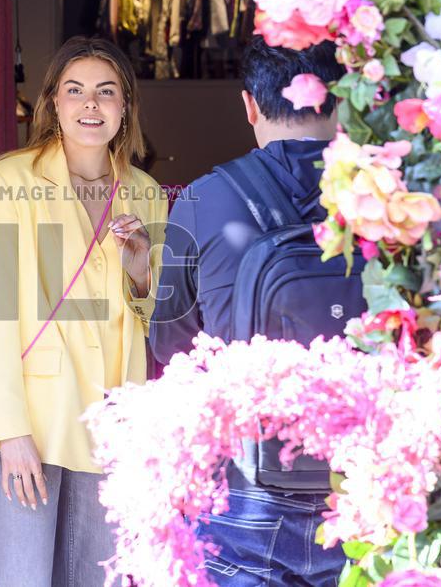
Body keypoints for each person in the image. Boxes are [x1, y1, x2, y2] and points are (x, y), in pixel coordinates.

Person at [0, 36, 168, 585]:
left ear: (124, 105)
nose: (90, 105)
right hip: (35, 413)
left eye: (106, 93)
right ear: (52, 102)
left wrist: (139, 268)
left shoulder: (147, 193)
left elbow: (159, 318)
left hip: (113, 415)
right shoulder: (10, 181)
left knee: (101, 577)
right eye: (75, 91)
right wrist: (8, 430)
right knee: (21, 577)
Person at [149, 35, 347, 584]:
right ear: (337, 99)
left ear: (250, 105)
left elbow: (171, 347)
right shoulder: (385, 195)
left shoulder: (203, 198)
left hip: (247, 488)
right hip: (361, 480)